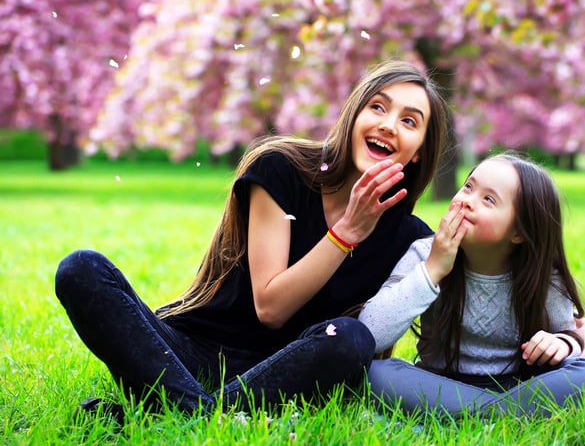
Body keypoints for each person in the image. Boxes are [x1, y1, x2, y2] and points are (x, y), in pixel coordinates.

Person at [54, 60, 452, 417]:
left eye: (409, 121)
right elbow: (271, 305)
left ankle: (178, 411)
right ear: (354, 116)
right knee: (81, 269)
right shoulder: (282, 168)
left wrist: (519, 345)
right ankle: (203, 415)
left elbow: (466, 321)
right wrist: (346, 233)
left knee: (349, 338)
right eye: (378, 107)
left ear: (417, 152)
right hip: (191, 351)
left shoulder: (412, 240)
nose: (388, 124)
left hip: (287, 376)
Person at [359, 152, 585, 418]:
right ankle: (507, 415)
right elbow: (371, 333)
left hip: (519, 385)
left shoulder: (543, 276)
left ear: (519, 232)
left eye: (488, 199)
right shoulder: (425, 254)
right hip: (439, 383)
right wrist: (433, 270)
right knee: (372, 373)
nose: (467, 201)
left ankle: (475, 414)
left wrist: (562, 343)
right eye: (468, 187)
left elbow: (568, 342)